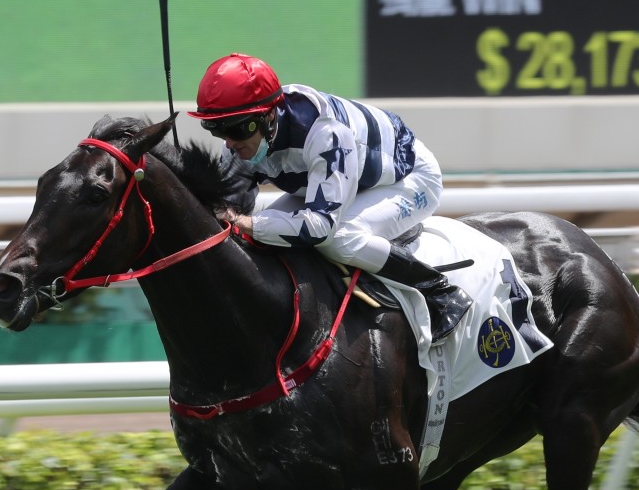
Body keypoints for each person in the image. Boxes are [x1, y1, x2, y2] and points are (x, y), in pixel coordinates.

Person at [187, 53, 473, 343]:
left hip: (409, 178)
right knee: (266, 227)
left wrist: (248, 223)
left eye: (237, 128)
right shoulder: (241, 144)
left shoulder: (325, 133)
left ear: (269, 115)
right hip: (336, 179)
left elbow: (320, 226)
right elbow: (226, 218)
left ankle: (440, 291)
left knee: (339, 238)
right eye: (217, 129)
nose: (229, 142)